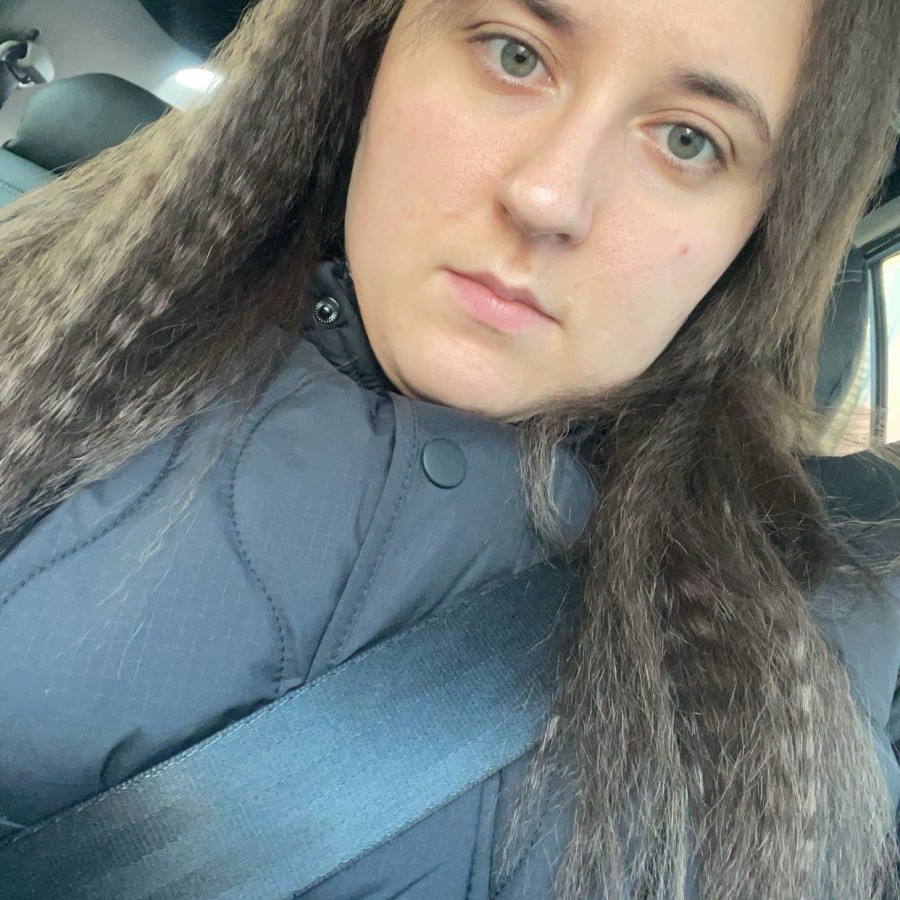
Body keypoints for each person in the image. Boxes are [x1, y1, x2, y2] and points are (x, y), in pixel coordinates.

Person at [0, 0, 898, 896]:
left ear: (755, 236)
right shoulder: (50, 341)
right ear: (370, 51)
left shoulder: (806, 692)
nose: (547, 196)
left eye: (688, 141)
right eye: (514, 54)